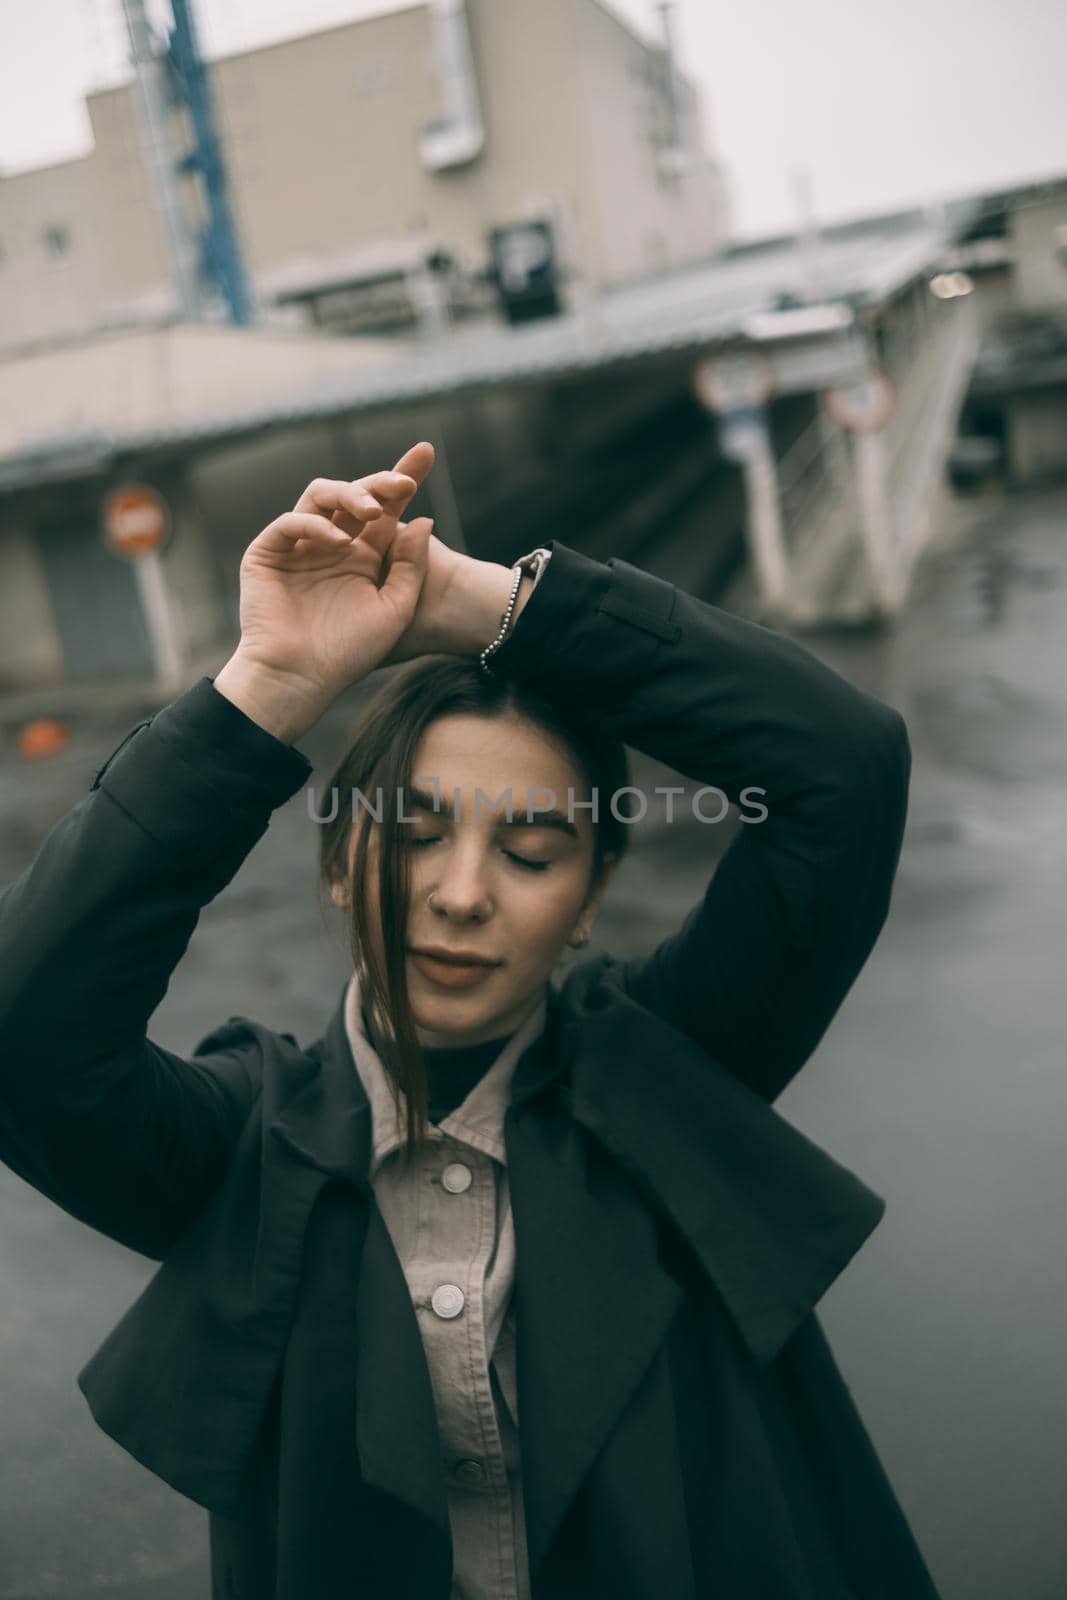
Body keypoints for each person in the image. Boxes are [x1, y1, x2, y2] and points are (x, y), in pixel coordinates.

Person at [0, 441, 941, 1600]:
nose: (459, 893)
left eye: (531, 851)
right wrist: (272, 685)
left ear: (591, 895)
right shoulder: (239, 1158)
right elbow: (23, 1031)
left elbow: (840, 769)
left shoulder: (671, 1072)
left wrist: (477, 603)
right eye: (411, 835)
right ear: (342, 863)